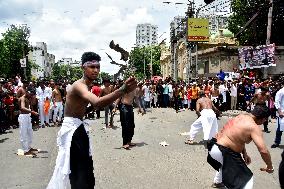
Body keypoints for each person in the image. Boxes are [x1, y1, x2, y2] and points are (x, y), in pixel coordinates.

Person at [47, 52, 137, 189]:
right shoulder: (79, 85)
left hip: (78, 126)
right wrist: (122, 89)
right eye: (92, 66)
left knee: (86, 169)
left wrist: (89, 110)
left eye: (98, 67)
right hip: (73, 130)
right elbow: (97, 103)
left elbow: (82, 109)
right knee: (80, 171)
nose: (96, 70)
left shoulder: (88, 85)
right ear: (83, 67)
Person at [207, 105, 273, 188]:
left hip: (213, 145)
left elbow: (236, 137)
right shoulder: (254, 127)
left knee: (225, 163)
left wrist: (244, 153)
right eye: (265, 119)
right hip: (223, 151)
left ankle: (218, 182)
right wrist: (270, 166)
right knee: (246, 180)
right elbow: (263, 151)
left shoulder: (241, 116)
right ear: (264, 118)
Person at [113, 81, 141, 150]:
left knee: (131, 125)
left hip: (130, 107)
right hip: (123, 106)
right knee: (125, 125)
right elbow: (118, 98)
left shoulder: (135, 90)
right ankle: (125, 143)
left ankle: (129, 141)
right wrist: (114, 107)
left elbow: (136, 99)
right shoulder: (125, 89)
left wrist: (140, 108)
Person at [18, 90, 39, 156]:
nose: (31, 96)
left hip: (28, 117)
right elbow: (22, 107)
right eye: (31, 94)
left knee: (30, 133)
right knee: (23, 133)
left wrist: (32, 112)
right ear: (27, 92)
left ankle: (29, 147)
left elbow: (30, 107)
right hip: (23, 117)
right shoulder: (22, 98)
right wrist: (32, 112)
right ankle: (25, 150)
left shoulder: (28, 98)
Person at [271, 84, 284, 148]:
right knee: (280, 128)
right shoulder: (281, 92)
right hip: (282, 112)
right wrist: (280, 112)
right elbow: (276, 102)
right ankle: (277, 142)